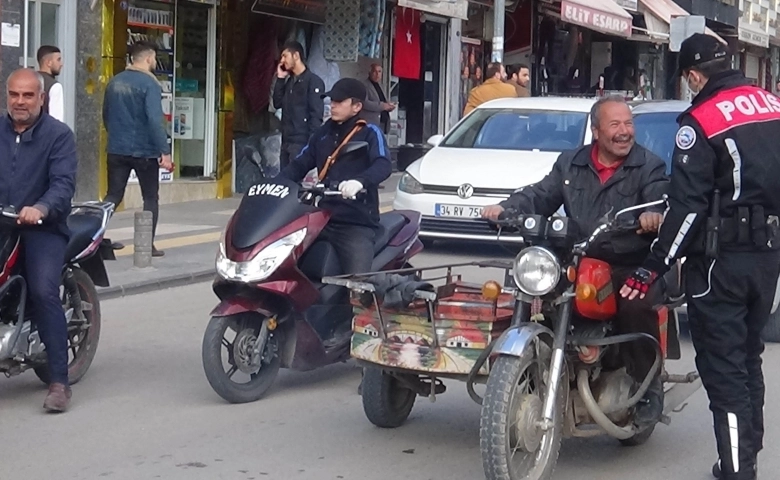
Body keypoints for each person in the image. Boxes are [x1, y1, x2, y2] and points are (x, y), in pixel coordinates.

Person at [620, 34, 780, 480]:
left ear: (693, 75)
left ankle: (736, 470)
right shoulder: (771, 103)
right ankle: (745, 453)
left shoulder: (700, 120)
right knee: (748, 358)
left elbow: (687, 208)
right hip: (767, 257)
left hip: (720, 262)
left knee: (723, 371)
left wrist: (655, 266)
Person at [482, 96, 669, 428]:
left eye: (629, 124)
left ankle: (648, 387)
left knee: (635, 304)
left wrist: (653, 215)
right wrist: (507, 207)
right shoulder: (570, 163)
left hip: (626, 260)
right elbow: (541, 194)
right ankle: (521, 376)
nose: (625, 132)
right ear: (596, 130)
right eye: (615, 125)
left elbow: (658, 196)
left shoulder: (649, 165)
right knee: (529, 292)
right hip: (576, 257)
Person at [1, 69, 77, 411]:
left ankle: (59, 382)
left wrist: (41, 207)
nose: (20, 102)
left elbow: (63, 183)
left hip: (42, 227)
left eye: (28, 95)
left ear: (41, 99)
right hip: (2, 223)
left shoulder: (59, 136)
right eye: (14, 94)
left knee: (45, 290)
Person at [278, 78, 391, 275]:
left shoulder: (370, 132)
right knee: (286, 264)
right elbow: (299, 164)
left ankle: (359, 301)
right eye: (331, 101)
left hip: (356, 221)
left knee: (358, 283)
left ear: (357, 106)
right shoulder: (322, 133)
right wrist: (273, 185)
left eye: (339, 102)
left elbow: (383, 164)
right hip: (321, 218)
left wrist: (359, 182)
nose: (333, 106)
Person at [103, 41, 173, 257]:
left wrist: (116, 136)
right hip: (144, 150)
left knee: (113, 196)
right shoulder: (149, 84)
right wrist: (165, 151)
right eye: (153, 59)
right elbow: (154, 120)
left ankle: (92, 238)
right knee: (150, 197)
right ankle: (147, 245)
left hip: (117, 148)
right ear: (149, 58)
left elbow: (106, 115)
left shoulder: (114, 82)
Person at [273, 41, 326, 169]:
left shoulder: (313, 81)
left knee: (294, 181)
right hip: (286, 140)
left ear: (296, 56)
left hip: (301, 141)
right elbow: (277, 103)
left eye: (285, 56)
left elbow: (316, 115)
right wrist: (280, 78)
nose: (282, 60)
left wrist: (312, 145)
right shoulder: (290, 81)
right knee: (285, 181)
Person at [361, 63, 395, 133]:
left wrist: (389, 106)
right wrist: (383, 106)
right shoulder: (364, 85)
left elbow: (382, 100)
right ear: (369, 72)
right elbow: (364, 103)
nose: (377, 74)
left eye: (379, 72)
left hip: (382, 122)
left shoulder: (380, 85)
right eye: (374, 71)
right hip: (371, 122)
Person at [36, 45, 65, 123]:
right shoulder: (55, 86)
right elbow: (56, 120)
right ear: (49, 63)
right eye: (58, 60)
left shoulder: (29, 80)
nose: (61, 64)